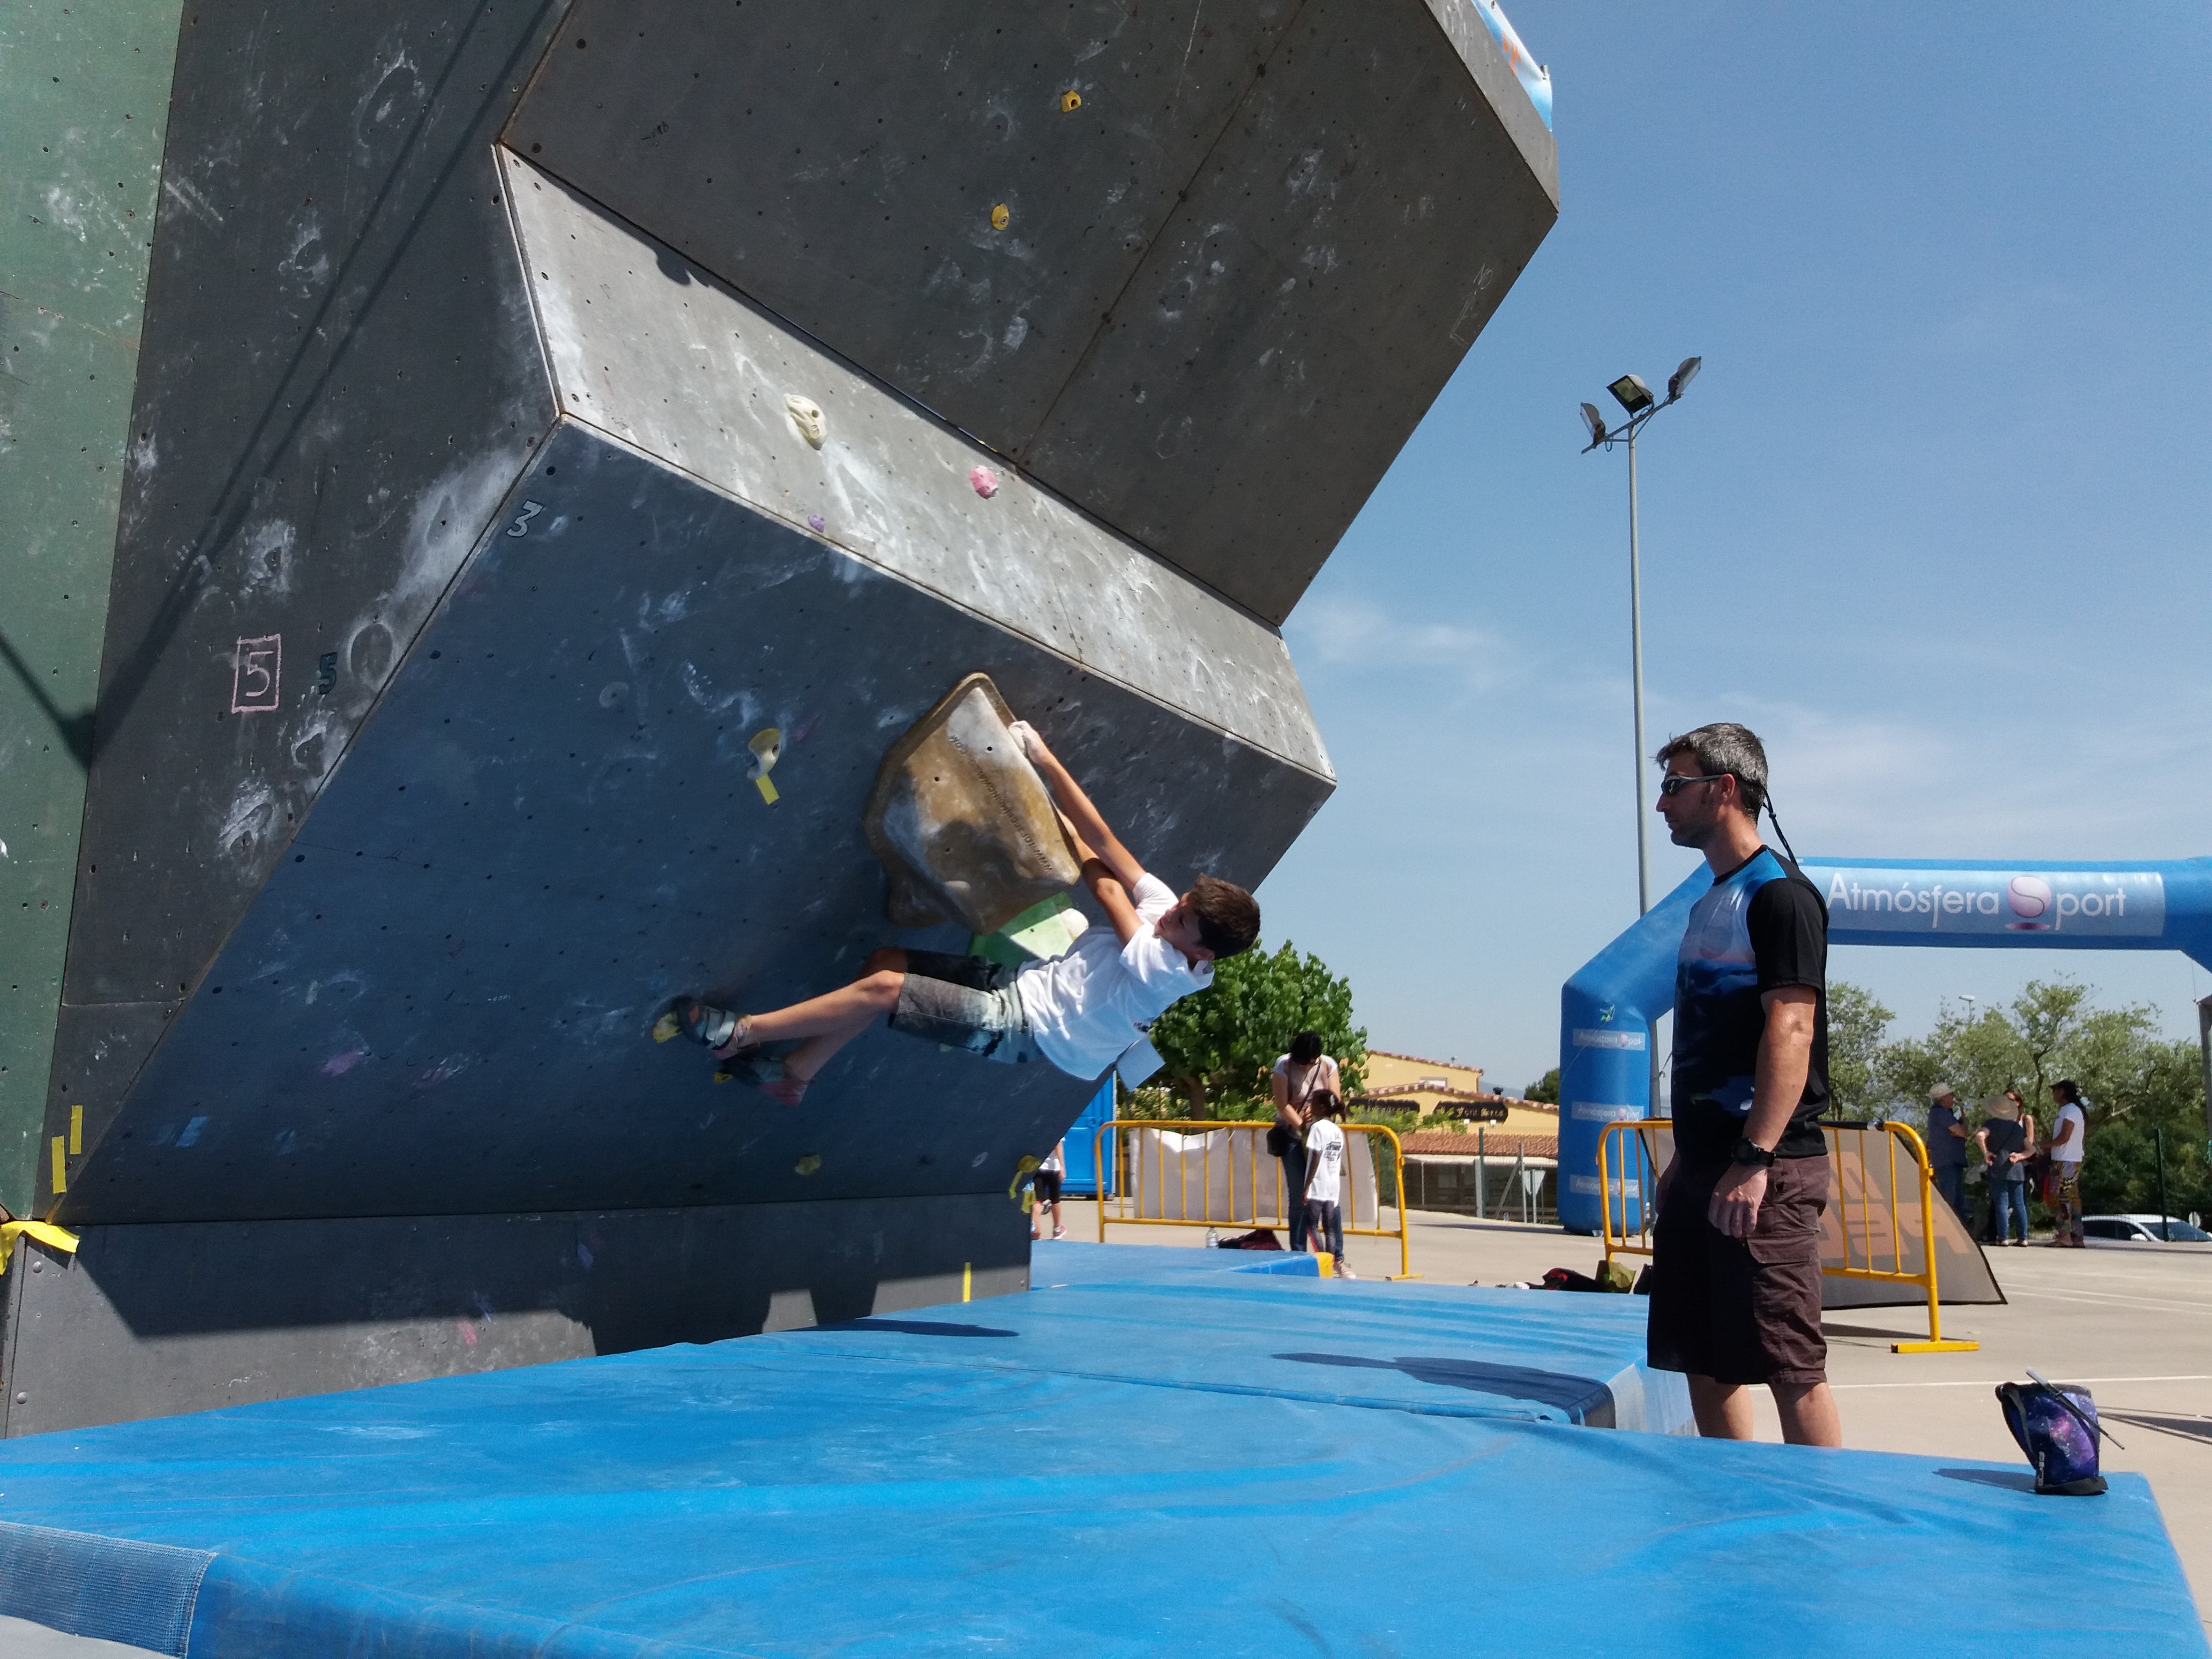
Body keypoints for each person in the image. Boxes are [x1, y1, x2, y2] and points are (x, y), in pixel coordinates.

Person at [665, 722, 1260, 1104]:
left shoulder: (1167, 974)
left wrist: (1063, 832)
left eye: (1181, 920)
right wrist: (1044, 764)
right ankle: (796, 1073)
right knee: (885, 963)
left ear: (1201, 952)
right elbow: (1104, 842)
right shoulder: (1170, 913)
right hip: (1025, 986)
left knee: (884, 990)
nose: (1168, 912)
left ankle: (741, 1031)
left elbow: (1105, 888)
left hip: (1030, 1031)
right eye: (1180, 903)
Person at [1643, 722, 1842, 1448]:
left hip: (1767, 1169)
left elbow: (1792, 1029)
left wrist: (1754, 1158)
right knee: (1702, 1356)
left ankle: (1820, 1507)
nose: (1662, 804)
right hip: (1705, 1167)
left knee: (1791, 1366)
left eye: (1676, 786)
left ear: (1724, 789)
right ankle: (1725, 1497)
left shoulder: (1780, 896)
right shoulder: (1710, 901)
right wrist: (1686, 1162)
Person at [1272, 1032, 1340, 1250]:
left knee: (1329, 1198)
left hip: (1323, 1139)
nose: (1305, 1067)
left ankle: (1336, 1256)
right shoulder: (1283, 1065)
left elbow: (1335, 1101)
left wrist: (1319, 1114)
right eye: (1301, 1062)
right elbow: (1282, 1104)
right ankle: (1299, 1252)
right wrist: (1302, 1125)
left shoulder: (1328, 1065)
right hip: (1293, 1137)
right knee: (1299, 1196)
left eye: (1310, 1062)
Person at [1301, 1092, 1352, 1277]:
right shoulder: (1337, 1130)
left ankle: (1322, 1263)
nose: (1310, 1107)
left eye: (1313, 1104)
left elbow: (1316, 1157)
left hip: (1318, 1185)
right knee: (1330, 1229)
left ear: (1321, 1108)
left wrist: (1307, 1186)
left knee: (1312, 1225)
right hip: (1332, 1186)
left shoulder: (1317, 1128)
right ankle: (1331, 1263)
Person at [1977, 1094, 2031, 1246]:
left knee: (2001, 1203)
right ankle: (2023, 1238)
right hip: (2017, 1169)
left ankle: (2003, 1237)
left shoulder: (1991, 1124)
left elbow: (1980, 1136)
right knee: (2019, 1204)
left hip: (1998, 1167)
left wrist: (1986, 1152)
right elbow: (2031, 1149)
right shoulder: (2017, 1128)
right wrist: (2020, 1156)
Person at [2046, 1080, 2089, 1248]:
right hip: (2068, 1159)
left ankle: (2065, 1235)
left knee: (2060, 1197)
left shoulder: (2070, 1110)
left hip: (2065, 1160)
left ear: (2062, 1091)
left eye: (2055, 1090)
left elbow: (2064, 1137)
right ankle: (2076, 1236)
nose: (2053, 1094)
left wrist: (2043, 1145)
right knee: (2070, 1197)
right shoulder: (2070, 1110)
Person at [1926, 1085, 1969, 1223]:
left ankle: (1958, 1226)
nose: (1953, 1098)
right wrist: (1964, 1125)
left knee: (1956, 1198)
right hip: (1948, 1162)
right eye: (1951, 1095)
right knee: (1950, 1198)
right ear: (1944, 1098)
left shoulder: (1941, 1114)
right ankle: (1946, 1225)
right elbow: (1961, 1133)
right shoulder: (1941, 1113)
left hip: (1949, 1161)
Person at [1032, 1139, 1066, 1240]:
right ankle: (1057, 1229)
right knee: (1055, 1199)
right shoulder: (1056, 1130)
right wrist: (1062, 1166)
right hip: (1053, 1168)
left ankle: (1036, 1231)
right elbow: (1058, 1144)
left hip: (1039, 1167)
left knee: (1038, 1199)